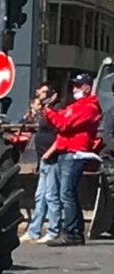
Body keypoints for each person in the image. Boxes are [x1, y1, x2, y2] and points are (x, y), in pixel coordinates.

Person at [43, 73, 101, 247]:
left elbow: (64, 124)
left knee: (66, 194)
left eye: (78, 85)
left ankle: (72, 232)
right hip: (67, 153)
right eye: (74, 85)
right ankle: (74, 231)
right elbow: (63, 122)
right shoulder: (78, 106)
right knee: (68, 194)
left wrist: (49, 110)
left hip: (75, 153)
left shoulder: (89, 107)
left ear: (87, 87)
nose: (74, 89)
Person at [22, 84, 62, 244]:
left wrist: (49, 152)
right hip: (43, 159)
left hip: (51, 158)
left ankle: (53, 230)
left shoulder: (57, 111)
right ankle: (34, 231)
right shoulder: (45, 111)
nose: (40, 95)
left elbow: (61, 135)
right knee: (40, 196)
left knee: (51, 196)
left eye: (44, 93)